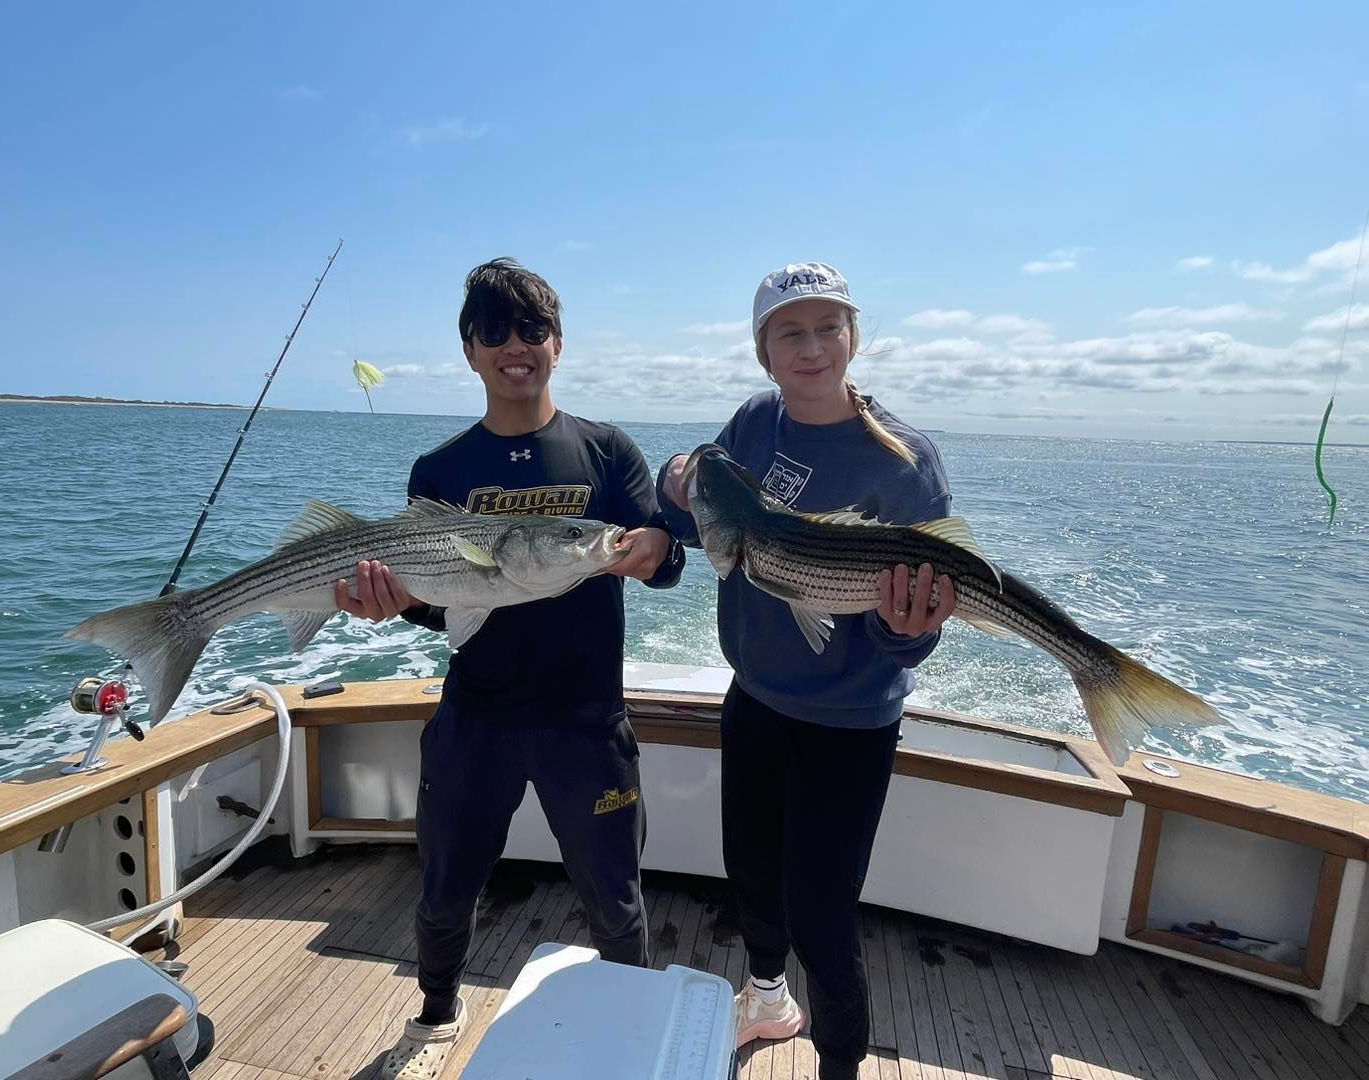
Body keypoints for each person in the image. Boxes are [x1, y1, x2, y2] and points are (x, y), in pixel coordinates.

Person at [335, 257, 684, 1080]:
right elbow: (440, 607)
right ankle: (434, 1018)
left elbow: (662, 560)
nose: (514, 346)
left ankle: (629, 1032)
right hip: (477, 717)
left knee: (616, 899)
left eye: (532, 329)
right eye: (494, 331)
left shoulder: (607, 450)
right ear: (469, 350)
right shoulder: (440, 470)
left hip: (586, 723)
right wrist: (392, 601)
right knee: (444, 890)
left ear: (558, 343)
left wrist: (655, 549)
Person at [657, 262, 956, 1080]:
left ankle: (840, 1066)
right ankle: (766, 1000)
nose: (813, 347)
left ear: (853, 336)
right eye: (791, 332)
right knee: (751, 875)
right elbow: (698, 507)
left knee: (822, 917)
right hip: (754, 699)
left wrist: (905, 629)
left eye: (829, 327)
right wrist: (673, 478)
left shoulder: (904, 462)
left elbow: (913, 641)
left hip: (849, 724)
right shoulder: (756, 422)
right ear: (764, 351)